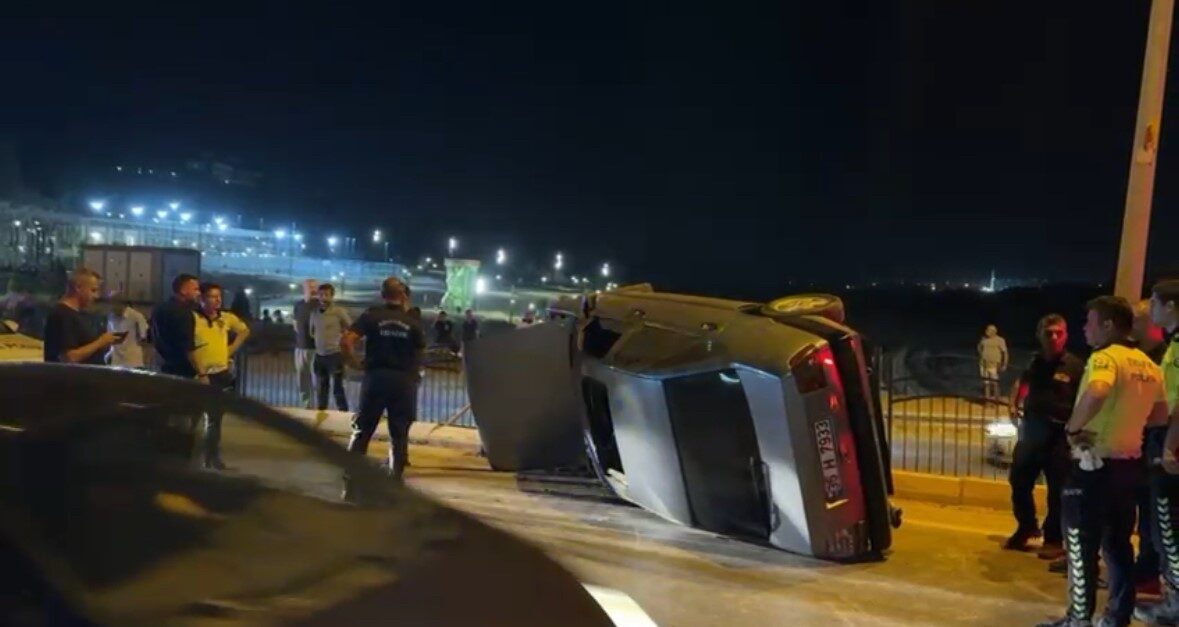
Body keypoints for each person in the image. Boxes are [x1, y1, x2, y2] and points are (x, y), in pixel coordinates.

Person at [1038, 296, 1168, 627]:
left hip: (1093, 465)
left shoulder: (1105, 358)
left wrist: (1073, 428)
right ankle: (1116, 616)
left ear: (1108, 325)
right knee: (1119, 546)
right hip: (1129, 467)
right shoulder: (1150, 366)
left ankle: (1078, 618)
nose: (1085, 329)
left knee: (1081, 547)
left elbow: (1097, 391)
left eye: (1090, 322)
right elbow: (1161, 415)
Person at [1004, 314, 1082, 558]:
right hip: (1031, 433)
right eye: (1049, 333)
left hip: (1059, 437)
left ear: (1066, 335)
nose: (1054, 338)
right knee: (1019, 482)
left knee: (1057, 490)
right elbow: (1021, 382)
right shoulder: (1034, 362)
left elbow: (1085, 399)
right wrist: (1012, 403)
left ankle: (1053, 538)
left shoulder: (1075, 366)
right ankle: (1026, 527)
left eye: (1059, 333)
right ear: (1039, 335)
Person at [341, 276, 425, 480]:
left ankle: (351, 476)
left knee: (362, 430)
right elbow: (420, 354)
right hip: (403, 381)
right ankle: (395, 480)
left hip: (376, 378)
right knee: (399, 433)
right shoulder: (413, 322)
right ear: (404, 296)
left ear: (382, 295)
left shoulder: (372, 316)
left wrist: (354, 363)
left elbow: (346, 341)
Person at [1135, 280, 1179, 623]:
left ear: (1172, 306)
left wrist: (1168, 445)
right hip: (1164, 437)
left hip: (1170, 441)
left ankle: (1174, 603)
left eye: (1155, 303)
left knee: (1167, 527)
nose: (1151, 309)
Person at [1131, 298, 1169, 598]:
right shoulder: (1139, 355)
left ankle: (1150, 575)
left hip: (1155, 442)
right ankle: (1144, 571)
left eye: (1138, 320)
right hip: (1140, 441)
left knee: (1153, 515)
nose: (1132, 325)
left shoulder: (1164, 356)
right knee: (1144, 511)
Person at [190, 282, 250, 470]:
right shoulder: (192, 318)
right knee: (192, 419)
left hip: (219, 374)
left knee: (215, 420)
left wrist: (230, 349)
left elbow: (244, 330)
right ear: (201, 298)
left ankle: (211, 457)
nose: (217, 301)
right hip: (198, 375)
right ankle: (188, 456)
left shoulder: (225, 318)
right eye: (212, 297)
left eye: (219, 297)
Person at [42, 267, 120, 364]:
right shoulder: (62, 315)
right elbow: (69, 357)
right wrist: (100, 342)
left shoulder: (79, 314)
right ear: (78, 287)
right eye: (93, 290)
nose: (96, 296)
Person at [310, 283, 351, 412]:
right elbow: (312, 332)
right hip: (320, 355)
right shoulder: (315, 313)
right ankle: (321, 415)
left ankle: (344, 415)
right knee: (322, 388)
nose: (323, 298)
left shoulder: (339, 312)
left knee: (338, 388)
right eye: (321, 295)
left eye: (326, 295)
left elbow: (351, 328)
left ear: (332, 296)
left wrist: (341, 339)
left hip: (335, 355)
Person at [150, 274, 201, 378]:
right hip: (182, 369)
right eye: (195, 289)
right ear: (183, 291)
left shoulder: (160, 308)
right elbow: (187, 347)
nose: (198, 293)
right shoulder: (183, 313)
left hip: (162, 366)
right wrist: (202, 372)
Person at [292, 279, 319, 409]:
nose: (313, 290)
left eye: (315, 287)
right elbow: (295, 324)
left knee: (316, 381)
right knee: (302, 380)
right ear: (305, 289)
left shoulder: (320, 306)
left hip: (317, 349)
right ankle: (306, 406)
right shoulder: (298, 305)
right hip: (300, 348)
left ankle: (320, 407)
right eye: (311, 287)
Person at [106, 298, 149, 368]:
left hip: (133, 361)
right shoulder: (111, 316)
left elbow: (143, 337)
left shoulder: (136, 316)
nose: (112, 308)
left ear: (123, 305)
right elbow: (109, 336)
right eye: (111, 304)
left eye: (114, 304)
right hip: (116, 361)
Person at [979, 324, 1009, 400]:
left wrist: (1004, 364)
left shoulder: (1000, 340)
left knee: (995, 383)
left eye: (988, 330)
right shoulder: (984, 340)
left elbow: (1005, 352)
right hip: (984, 364)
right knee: (986, 383)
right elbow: (980, 350)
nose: (986, 331)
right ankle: (987, 400)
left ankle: (996, 399)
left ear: (993, 332)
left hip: (994, 365)